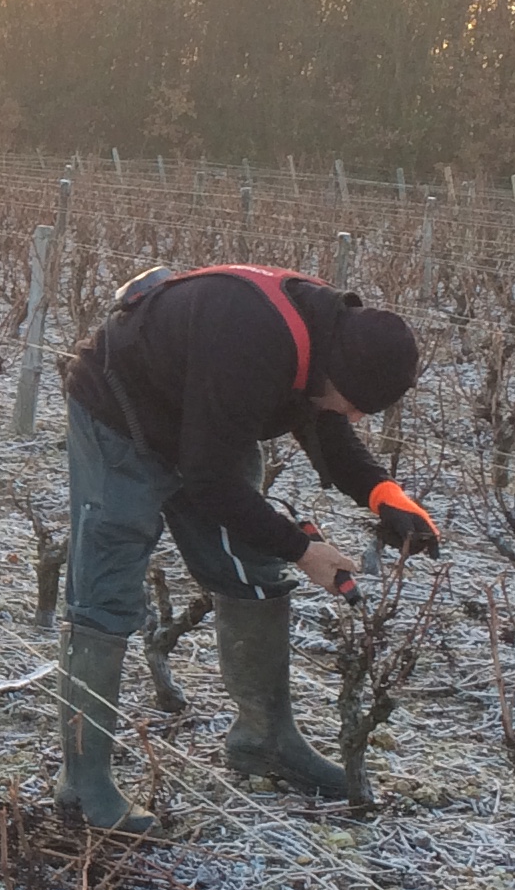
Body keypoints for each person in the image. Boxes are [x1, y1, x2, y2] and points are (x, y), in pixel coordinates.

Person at [55, 262, 438, 822]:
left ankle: (264, 741)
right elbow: (209, 479)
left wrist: (385, 496)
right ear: (340, 370)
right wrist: (304, 550)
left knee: (250, 565)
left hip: (205, 417)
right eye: (357, 403)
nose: (356, 415)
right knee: (105, 589)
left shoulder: (325, 341)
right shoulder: (252, 341)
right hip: (122, 416)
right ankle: (83, 785)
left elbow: (325, 420)